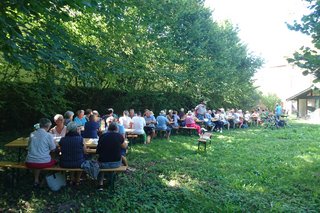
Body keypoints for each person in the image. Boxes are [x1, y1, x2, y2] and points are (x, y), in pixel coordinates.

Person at [25, 118, 57, 187]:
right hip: (43, 162)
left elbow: (28, 147)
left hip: (29, 162)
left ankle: (36, 180)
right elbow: (53, 149)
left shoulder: (32, 134)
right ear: (48, 126)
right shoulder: (49, 135)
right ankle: (45, 179)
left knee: (38, 158)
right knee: (54, 160)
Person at [96, 122, 128, 190]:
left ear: (108, 128)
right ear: (117, 129)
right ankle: (111, 179)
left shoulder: (102, 136)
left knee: (101, 162)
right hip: (116, 163)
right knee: (120, 155)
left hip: (103, 164)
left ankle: (100, 184)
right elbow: (124, 146)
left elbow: (97, 151)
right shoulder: (119, 136)